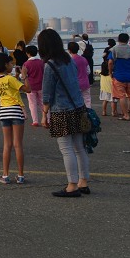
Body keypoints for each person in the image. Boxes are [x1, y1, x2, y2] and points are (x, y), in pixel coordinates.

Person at [38, 28, 90, 198]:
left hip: (61, 110)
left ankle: (72, 185)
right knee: (79, 147)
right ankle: (83, 182)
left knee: (66, 149)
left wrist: (44, 114)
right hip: (78, 107)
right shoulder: (69, 60)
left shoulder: (50, 65)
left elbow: (47, 93)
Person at [0, 53, 30, 185]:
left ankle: (5, 175)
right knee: (18, 144)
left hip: (4, 112)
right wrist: (24, 76)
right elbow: (28, 89)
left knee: (7, 145)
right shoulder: (10, 79)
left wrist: (17, 76)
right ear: (5, 65)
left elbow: (10, 86)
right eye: (10, 63)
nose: (12, 65)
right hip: (16, 110)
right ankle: (20, 176)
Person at [108, 33, 130, 121]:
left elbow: (110, 62)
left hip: (119, 76)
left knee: (122, 96)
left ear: (118, 39)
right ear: (128, 40)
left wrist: (110, 72)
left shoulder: (114, 49)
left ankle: (126, 115)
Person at [20, 45, 45, 126]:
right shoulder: (41, 62)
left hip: (30, 86)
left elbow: (23, 76)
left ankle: (35, 121)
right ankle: (47, 119)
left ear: (27, 53)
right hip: (41, 85)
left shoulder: (26, 64)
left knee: (32, 103)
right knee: (42, 102)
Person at [67, 42, 91, 108]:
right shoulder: (84, 59)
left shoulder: (69, 61)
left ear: (69, 50)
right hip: (85, 83)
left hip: (75, 85)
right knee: (87, 100)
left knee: (76, 102)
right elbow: (88, 71)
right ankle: (89, 114)